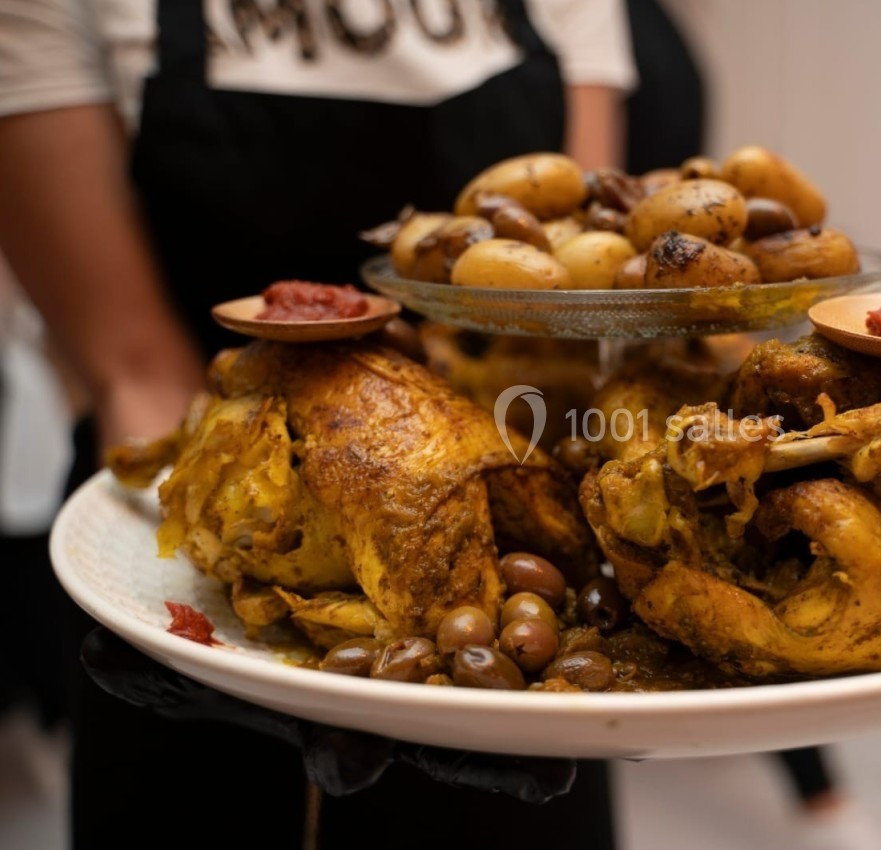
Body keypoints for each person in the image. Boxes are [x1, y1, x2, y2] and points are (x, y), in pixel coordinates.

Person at [0, 1, 635, 847]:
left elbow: (569, 303)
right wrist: (217, 611)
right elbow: (131, 362)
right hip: (207, 529)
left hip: (510, 555)